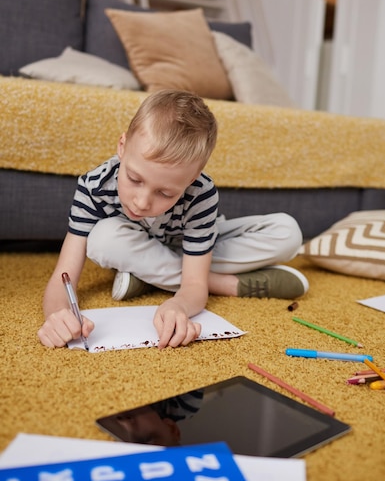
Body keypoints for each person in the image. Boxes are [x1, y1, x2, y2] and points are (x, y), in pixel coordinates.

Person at [38, 89, 308, 350]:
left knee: (288, 232)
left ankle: (146, 276)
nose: (142, 202)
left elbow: (194, 288)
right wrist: (58, 315)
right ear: (122, 146)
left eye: (165, 193)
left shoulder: (201, 192)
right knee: (102, 238)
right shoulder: (94, 186)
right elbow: (63, 278)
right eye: (134, 179)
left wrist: (179, 304)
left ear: (191, 179)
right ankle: (224, 283)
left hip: (190, 248)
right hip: (136, 247)